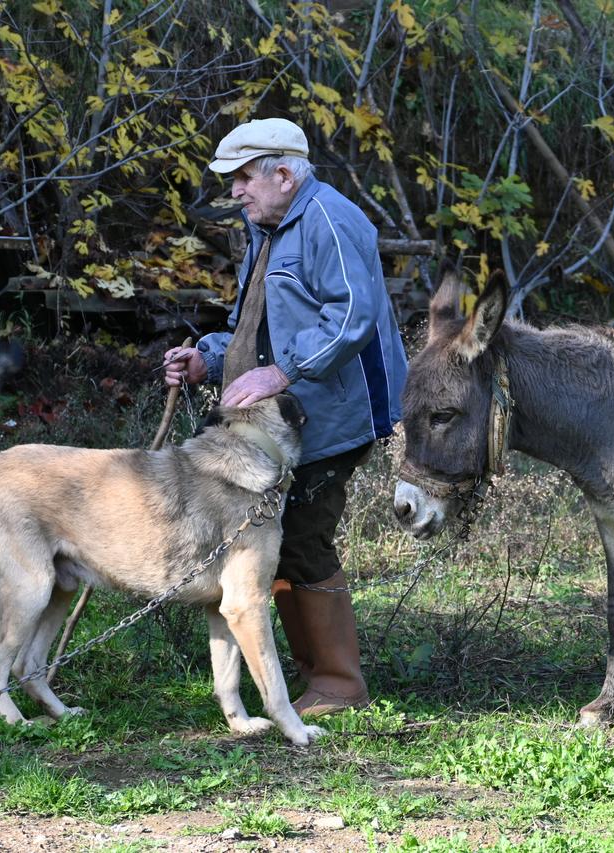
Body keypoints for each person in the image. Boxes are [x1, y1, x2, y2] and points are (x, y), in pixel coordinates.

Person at [163, 117, 408, 716]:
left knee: (299, 535)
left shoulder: (329, 218)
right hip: (282, 421)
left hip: (331, 414)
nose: (236, 194)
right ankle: (305, 678)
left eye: (244, 179)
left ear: (283, 173)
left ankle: (338, 683)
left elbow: (352, 316)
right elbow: (260, 327)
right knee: (268, 536)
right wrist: (208, 358)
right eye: (232, 183)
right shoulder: (268, 227)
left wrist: (282, 374)